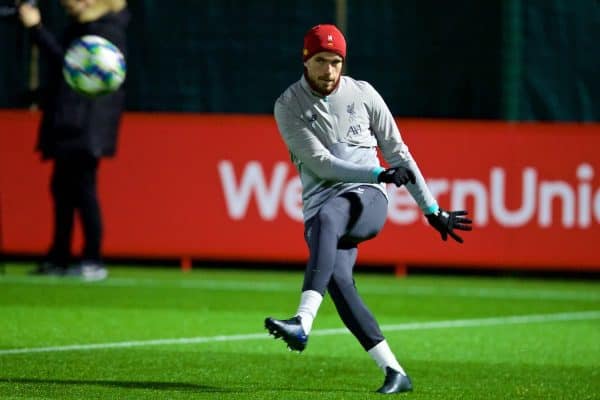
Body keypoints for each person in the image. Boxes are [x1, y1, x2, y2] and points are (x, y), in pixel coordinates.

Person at [264, 24, 472, 394]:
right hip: (320, 208)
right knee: (340, 285)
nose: (329, 70)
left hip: (367, 199)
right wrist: (380, 170)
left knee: (332, 215)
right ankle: (395, 372)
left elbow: (398, 153)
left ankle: (302, 321)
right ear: (305, 60)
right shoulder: (287, 105)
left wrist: (431, 209)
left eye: (335, 62)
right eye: (320, 61)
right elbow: (322, 163)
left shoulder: (363, 94)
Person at [18, 0, 130, 280]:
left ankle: (93, 258)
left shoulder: (107, 31)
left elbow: (75, 68)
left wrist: (37, 30)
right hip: (69, 121)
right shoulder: (80, 29)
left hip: (87, 124)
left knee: (83, 190)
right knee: (62, 189)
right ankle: (60, 256)